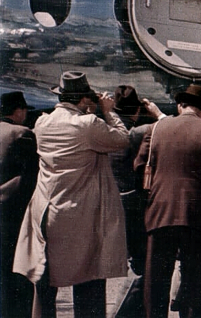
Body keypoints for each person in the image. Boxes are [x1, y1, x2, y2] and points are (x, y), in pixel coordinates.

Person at [13, 72, 130, 318]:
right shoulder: (87, 124)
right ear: (84, 100)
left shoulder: (42, 123)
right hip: (79, 213)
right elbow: (121, 139)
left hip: (46, 209)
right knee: (88, 278)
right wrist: (108, 111)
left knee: (45, 282)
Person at [134, 84, 201, 318]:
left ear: (181, 106)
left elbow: (139, 166)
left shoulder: (156, 128)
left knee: (156, 278)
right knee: (195, 278)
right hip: (198, 212)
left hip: (160, 210)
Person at [109, 85, 167, 318]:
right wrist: (156, 112)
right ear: (136, 111)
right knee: (142, 263)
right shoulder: (138, 132)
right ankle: (121, 313)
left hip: (113, 197)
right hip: (134, 200)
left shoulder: (106, 128)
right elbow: (170, 126)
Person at [1, 91, 38, 318]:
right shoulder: (22, 134)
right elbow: (32, 178)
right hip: (12, 213)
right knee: (16, 272)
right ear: (18, 111)